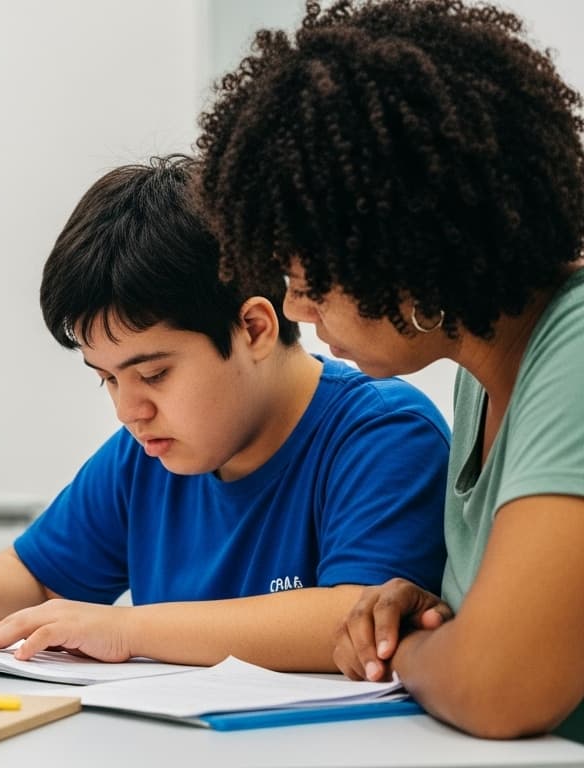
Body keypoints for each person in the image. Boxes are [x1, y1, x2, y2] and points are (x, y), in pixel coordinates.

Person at [0, 155, 449, 671]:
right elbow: (36, 575)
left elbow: (356, 619)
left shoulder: (385, 433)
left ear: (254, 328)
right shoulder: (144, 457)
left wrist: (125, 628)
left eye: (154, 374)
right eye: (107, 379)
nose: (129, 410)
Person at [196, 0, 584, 741]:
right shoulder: (480, 379)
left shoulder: (575, 350)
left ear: (402, 254)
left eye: (307, 282)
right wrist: (433, 618)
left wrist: (404, 649)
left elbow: (498, 686)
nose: (296, 309)